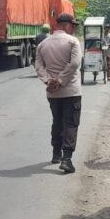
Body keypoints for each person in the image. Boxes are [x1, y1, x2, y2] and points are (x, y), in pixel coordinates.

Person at [35, 13, 83, 173]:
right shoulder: (72, 41)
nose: (74, 29)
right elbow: (75, 63)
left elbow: (38, 66)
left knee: (57, 121)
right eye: (73, 26)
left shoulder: (43, 44)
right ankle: (67, 159)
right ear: (67, 25)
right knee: (70, 124)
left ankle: (56, 153)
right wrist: (61, 81)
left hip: (53, 93)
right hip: (71, 91)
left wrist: (49, 81)